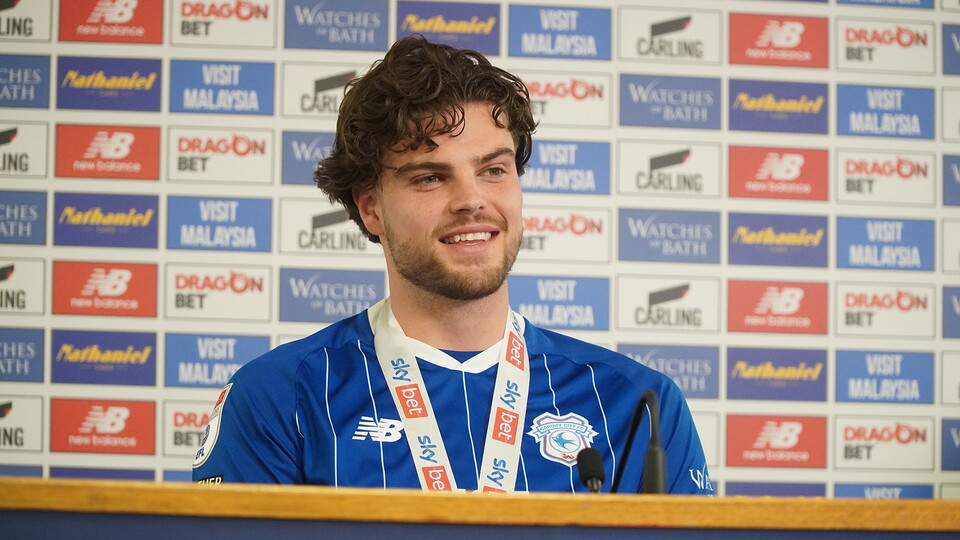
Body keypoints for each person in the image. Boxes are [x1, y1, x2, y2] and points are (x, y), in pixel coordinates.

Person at [192, 35, 713, 495]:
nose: (472, 200)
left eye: (493, 169)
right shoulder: (281, 396)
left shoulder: (637, 406)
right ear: (371, 206)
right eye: (429, 177)